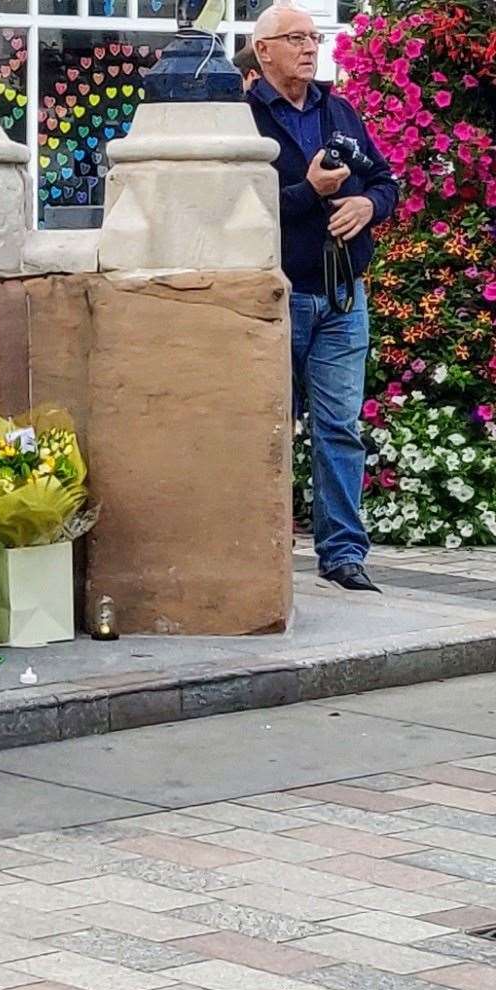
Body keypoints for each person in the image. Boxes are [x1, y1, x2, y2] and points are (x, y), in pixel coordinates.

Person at [249, 2, 398, 593]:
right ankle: (267, 548)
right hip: (276, 296)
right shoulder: (244, 122)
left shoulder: (339, 110)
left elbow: (386, 182)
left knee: (339, 428)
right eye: (296, 38)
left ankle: (342, 555)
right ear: (264, 51)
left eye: (314, 37)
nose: (311, 47)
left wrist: (368, 205)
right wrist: (310, 191)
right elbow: (245, 209)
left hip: (342, 298)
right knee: (270, 427)